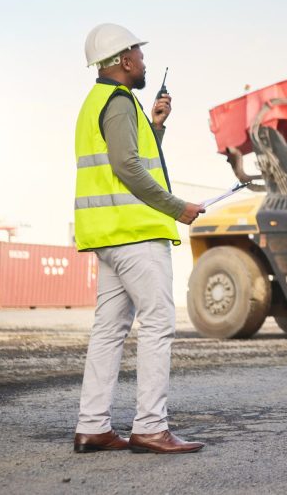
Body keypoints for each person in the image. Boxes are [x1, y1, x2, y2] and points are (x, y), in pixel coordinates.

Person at [72, 23, 205, 454]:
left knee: (109, 330)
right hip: (136, 236)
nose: (144, 62)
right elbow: (128, 167)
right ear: (125, 61)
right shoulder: (118, 101)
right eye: (139, 55)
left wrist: (156, 126)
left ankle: (93, 427)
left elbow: (128, 157)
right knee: (158, 324)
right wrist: (177, 208)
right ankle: (150, 427)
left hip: (109, 235)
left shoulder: (101, 102)